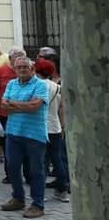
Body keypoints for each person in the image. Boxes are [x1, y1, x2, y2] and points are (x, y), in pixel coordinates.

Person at [0, 54, 50, 218]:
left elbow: (35, 106)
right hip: (13, 132)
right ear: (14, 69)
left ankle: (38, 205)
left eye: (25, 67)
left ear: (32, 69)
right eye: (19, 67)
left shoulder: (41, 85)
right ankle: (18, 198)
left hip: (35, 135)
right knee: (12, 167)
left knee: (36, 170)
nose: (22, 70)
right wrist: (23, 105)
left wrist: (14, 105)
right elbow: (3, 105)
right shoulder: (11, 84)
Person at [35, 56, 69, 202]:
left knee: (41, 161)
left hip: (39, 127)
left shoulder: (36, 85)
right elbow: (61, 108)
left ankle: (40, 192)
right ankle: (62, 191)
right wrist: (62, 126)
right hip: (55, 127)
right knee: (58, 160)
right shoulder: (57, 87)